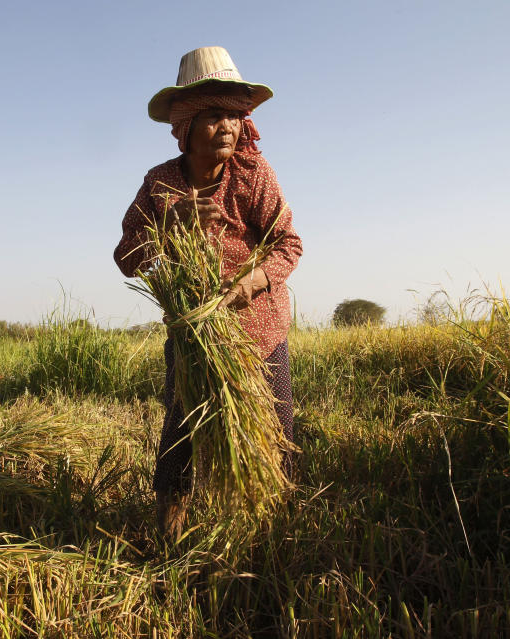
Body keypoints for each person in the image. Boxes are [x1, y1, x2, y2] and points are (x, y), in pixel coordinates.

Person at [113, 46, 303, 539]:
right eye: (214, 116)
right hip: (195, 337)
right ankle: (169, 542)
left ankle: (275, 536)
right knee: (180, 436)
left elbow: (289, 244)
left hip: (259, 329)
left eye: (234, 116)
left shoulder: (252, 174)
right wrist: (169, 226)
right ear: (187, 127)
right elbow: (125, 259)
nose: (228, 127)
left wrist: (252, 281)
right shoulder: (161, 184)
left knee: (275, 433)